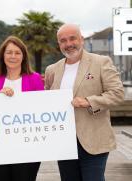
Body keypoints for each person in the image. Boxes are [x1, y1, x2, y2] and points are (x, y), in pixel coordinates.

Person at [45, 24, 124, 181]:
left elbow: (117, 93)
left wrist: (89, 101)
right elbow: (47, 100)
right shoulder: (52, 70)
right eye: (63, 40)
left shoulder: (101, 62)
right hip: (64, 142)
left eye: (72, 38)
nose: (68, 44)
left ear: (81, 39)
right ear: (59, 44)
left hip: (94, 140)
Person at [0, 36, 44, 181]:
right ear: (2, 55)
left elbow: (42, 110)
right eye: (9, 52)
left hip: (27, 148)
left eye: (17, 53)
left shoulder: (35, 79)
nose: (13, 56)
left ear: (23, 56)